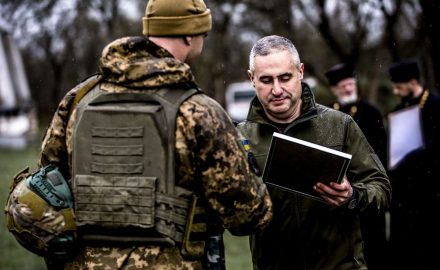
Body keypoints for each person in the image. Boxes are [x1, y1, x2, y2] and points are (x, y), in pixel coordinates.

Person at [5, 0, 273, 269]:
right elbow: (248, 215)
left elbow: (47, 183)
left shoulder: (78, 100)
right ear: (190, 34)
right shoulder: (200, 113)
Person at [237, 35, 391, 270]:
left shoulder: (340, 125)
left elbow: (381, 188)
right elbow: (232, 222)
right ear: (251, 79)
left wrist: (353, 197)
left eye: (285, 77)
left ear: (300, 72)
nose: (277, 89)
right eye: (266, 80)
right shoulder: (240, 137)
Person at [324, 63, 389, 270]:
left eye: (351, 83)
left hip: (364, 185)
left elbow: (380, 150)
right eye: (343, 85)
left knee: (373, 244)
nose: (348, 88)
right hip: (339, 187)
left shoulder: (370, 112)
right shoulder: (327, 115)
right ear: (335, 89)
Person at [387, 60, 440, 270]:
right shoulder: (400, 108)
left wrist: (411, 159)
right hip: (405, 189)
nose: (396, 91)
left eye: (399, 86)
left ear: (412, 82)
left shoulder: (435, 105)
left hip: (431, 188)